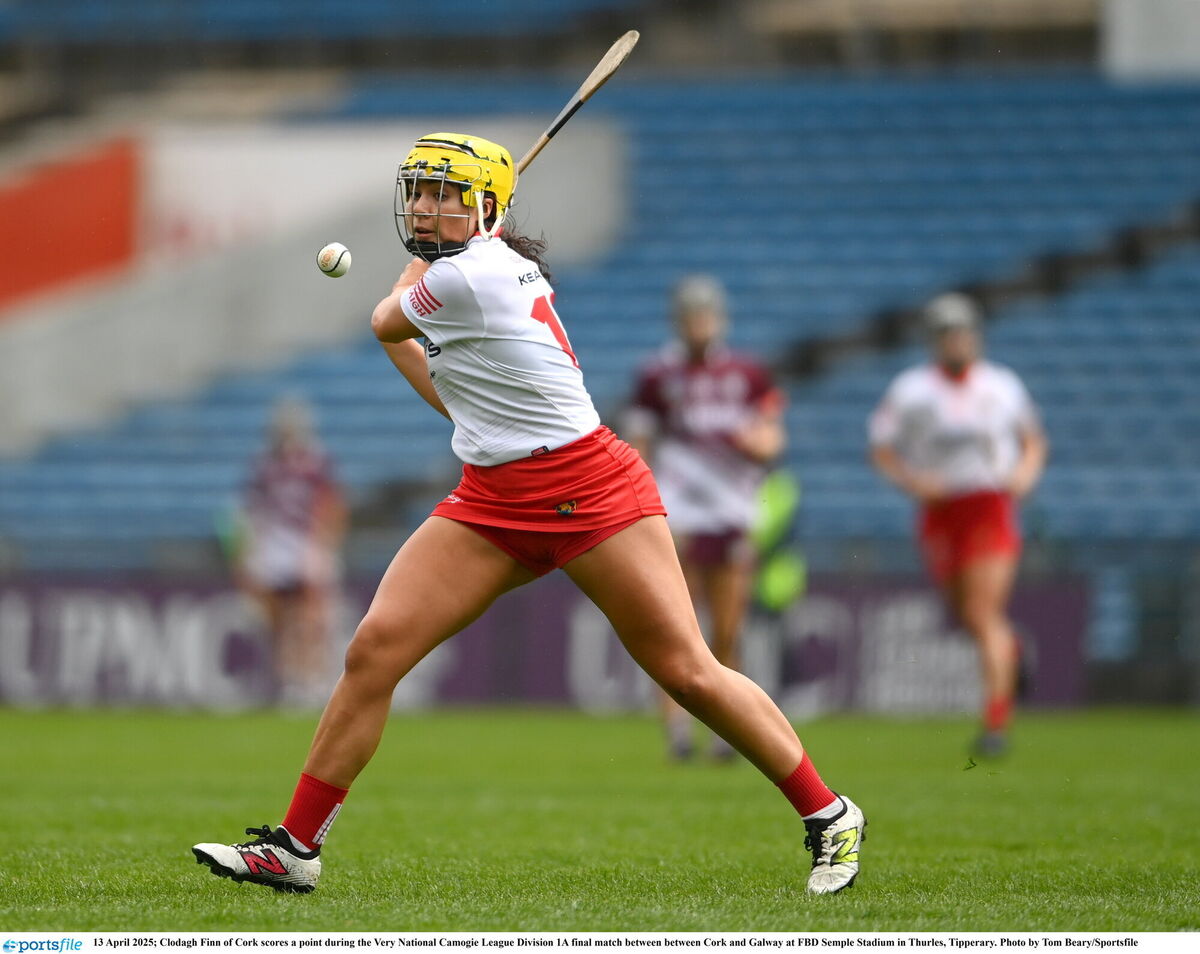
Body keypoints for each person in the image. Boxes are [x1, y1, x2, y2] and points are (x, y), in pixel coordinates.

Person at [193, 132, 865, 896]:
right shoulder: (472, 270)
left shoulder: (465, 280)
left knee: (688, 673)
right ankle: (296, 848)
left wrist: (420, 267)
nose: (420, 205)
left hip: (588, 490)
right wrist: (442, 329)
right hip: (491, 497)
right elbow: (444, 385)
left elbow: (386, 321)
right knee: (374, 650)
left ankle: (830, 813)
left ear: (483, 207)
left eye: (441, 194)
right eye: (417, 190)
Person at [868, 292, 1048, 757]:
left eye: (963, 332)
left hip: (988, 505)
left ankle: (995, 725)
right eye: (948, 333)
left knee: (984, 612)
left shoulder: (1001, 385)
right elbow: (883, 448)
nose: (957, 341)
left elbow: (1032, 440)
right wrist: (913, 481)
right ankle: (1012, 654)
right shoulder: (912, 390)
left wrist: (1025, 473)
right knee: (965, 614)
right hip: (941, 510)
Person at [625, 275, 786, 761]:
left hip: (734, 508)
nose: (699, 323)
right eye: (691, 314)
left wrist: (759, 442)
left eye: (706, 313)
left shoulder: (748, 373)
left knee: (727, 630)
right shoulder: (657, 374)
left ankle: (723, 732)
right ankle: (676, 729)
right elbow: (640, 442)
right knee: (674, 624)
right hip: (679, 508)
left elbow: (772, 437)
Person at [235, 396, 345, 706]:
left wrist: (324, 544)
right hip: (274, 543)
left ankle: (312, 679)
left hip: (306, 541)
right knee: (275, 619)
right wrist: (248, 555)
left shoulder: (317, 460)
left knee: (312, 616)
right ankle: (284, 679)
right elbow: (251, 511)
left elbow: (332, 502)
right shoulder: (264, 464)